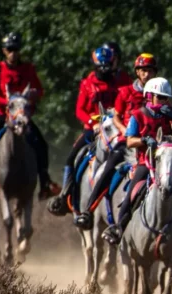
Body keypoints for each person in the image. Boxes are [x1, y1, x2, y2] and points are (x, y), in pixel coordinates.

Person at [96, 77, 172, 245]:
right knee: (132, 194)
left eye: (166, 98)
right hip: (146, 162)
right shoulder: (137, 115)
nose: (164, 101)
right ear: (150, 96)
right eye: (160, 97)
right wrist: (145, 141)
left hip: (169, 161)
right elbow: (130, 141)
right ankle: (119, 228)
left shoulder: (170, 114)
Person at [0, 32, 59, 199]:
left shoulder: (28, 68)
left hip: (21, 115)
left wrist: (33, 95)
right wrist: (6, 101)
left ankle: (44, 182)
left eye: (16, 49)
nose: (13, 53)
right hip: (2, 114)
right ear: (4, 51)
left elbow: (39, 89)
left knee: (41, 143)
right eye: (10, 49)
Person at [47, 46, 119, 216]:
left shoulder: (119, 83)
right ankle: (64, 195)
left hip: (115, 129)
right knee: (72, 159)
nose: (105, 70)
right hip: (92, 130)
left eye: (108, 66)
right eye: (102, 66)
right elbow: (79, 109)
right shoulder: (87, 84)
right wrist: (91, 123)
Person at [113, 53, 158, 135]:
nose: (147, 74)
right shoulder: (125, 92)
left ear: (154, 73)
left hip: (152, 137)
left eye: (150, 71)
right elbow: (116, 116)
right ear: (137, 72)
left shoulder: (160, 94)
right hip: (128, 137)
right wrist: (123, 129)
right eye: (144, 70)